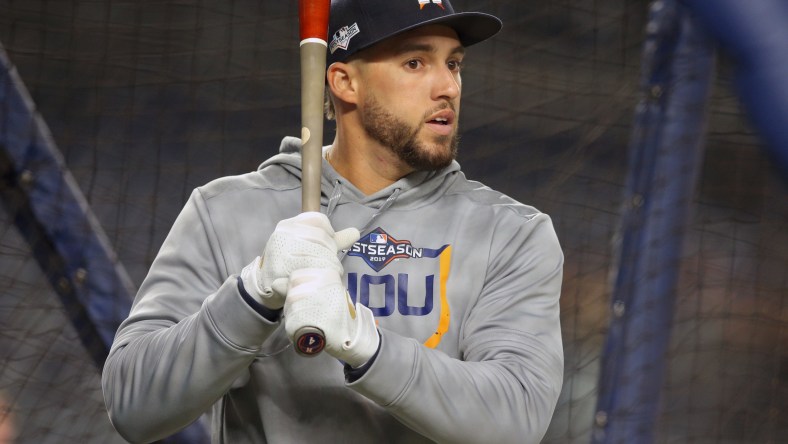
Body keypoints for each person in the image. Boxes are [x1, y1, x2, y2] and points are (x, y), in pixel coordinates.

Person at [101, 0, 564, 443]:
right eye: (416, 64)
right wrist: (253, 294)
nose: (448, 87)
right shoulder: (227, 211)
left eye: (454, 64)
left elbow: (516, 420)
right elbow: (133, 406)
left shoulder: (512, 234)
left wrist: (365, 345)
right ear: (344, 82)